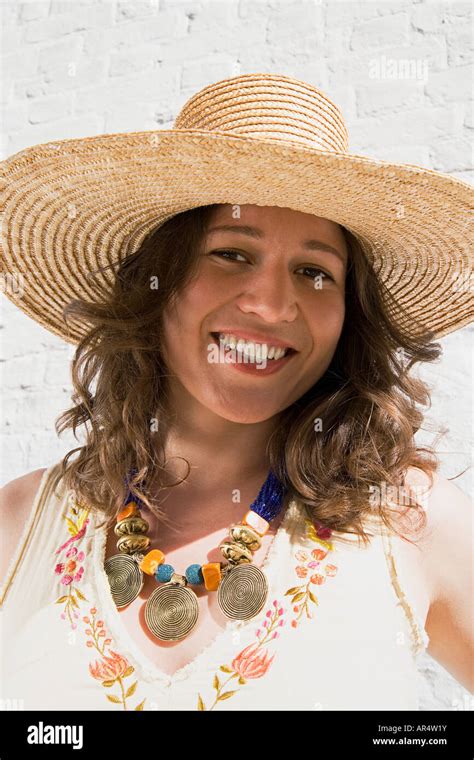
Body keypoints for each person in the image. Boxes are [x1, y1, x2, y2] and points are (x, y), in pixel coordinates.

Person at [0, 73, 472, 711]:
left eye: (314, 272)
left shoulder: (409, 521)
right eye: (232, 254)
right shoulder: (22, 523)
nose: (274, 306)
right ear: (156, 280)